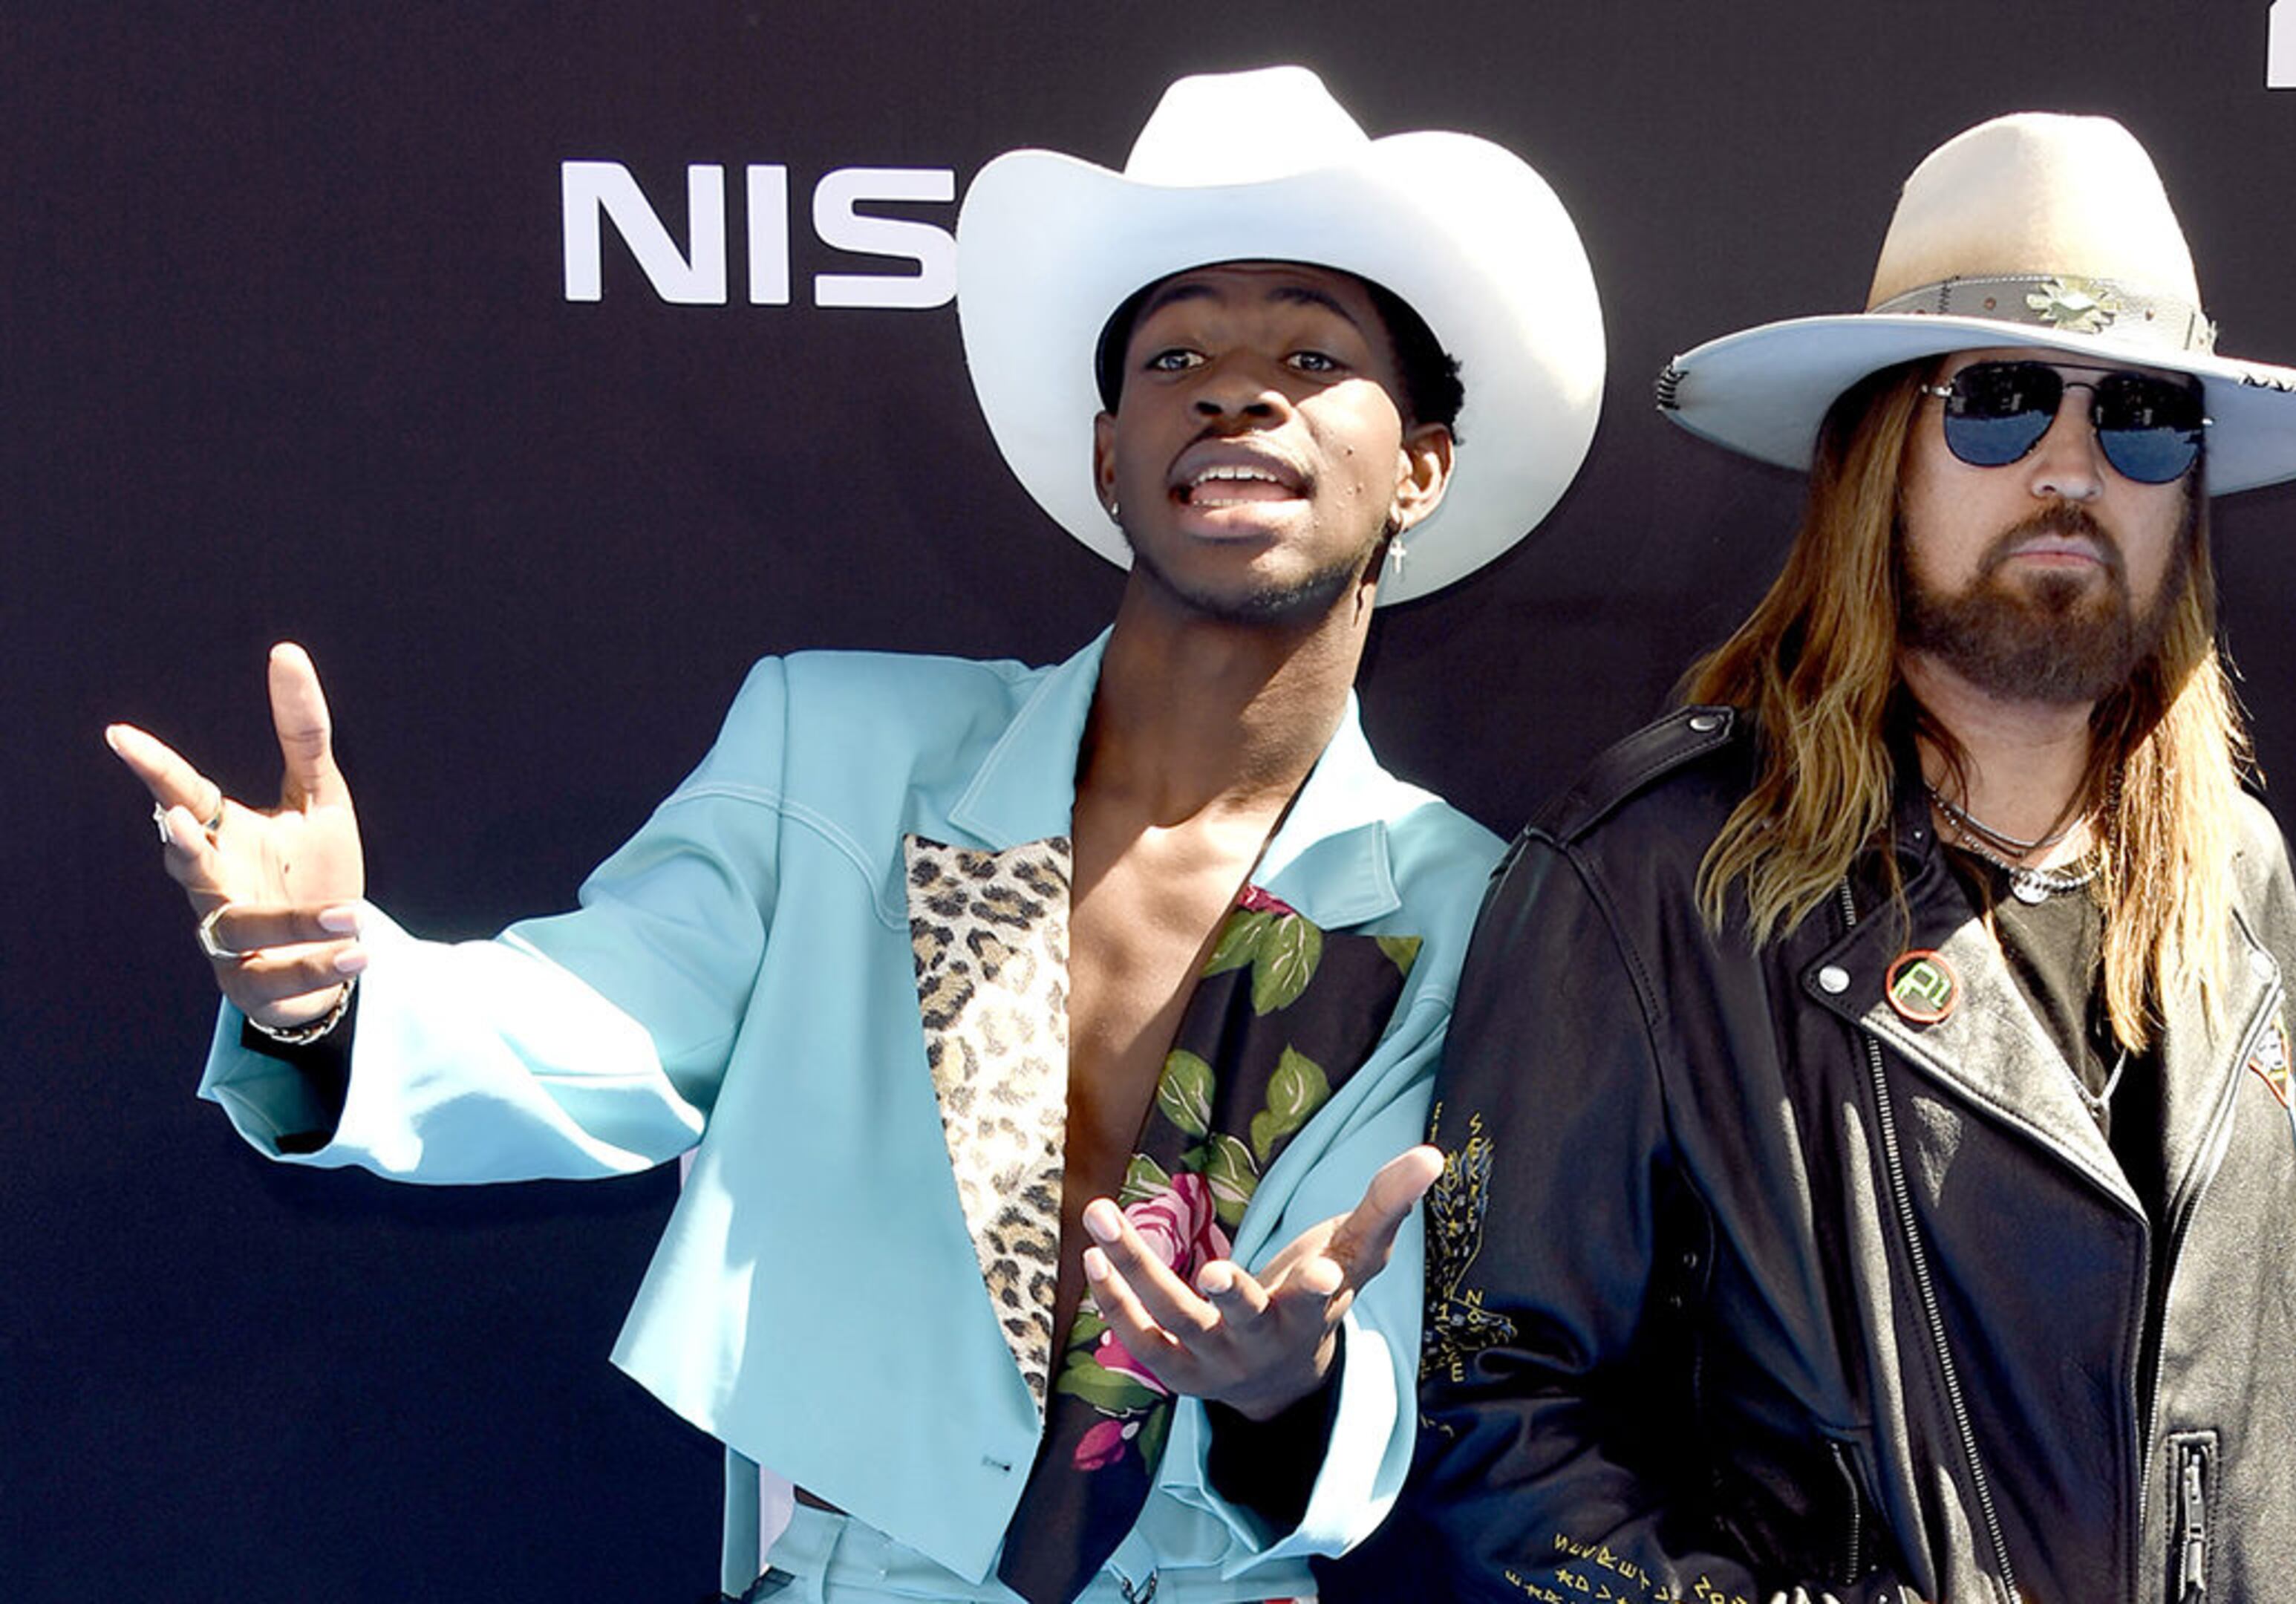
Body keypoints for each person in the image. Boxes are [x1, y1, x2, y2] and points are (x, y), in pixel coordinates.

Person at [104, 65, 1602, 1604]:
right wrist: (342, 992)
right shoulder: (840, 744)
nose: (1236, 386)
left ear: (1420, 465)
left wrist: (1285, 1383)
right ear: (1109, 455)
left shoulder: (1480, 905)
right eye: (1176, 351)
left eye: (1308, 347)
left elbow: (1406, 1334)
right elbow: (606, 1018)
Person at [1348, 113, 2296, 1603]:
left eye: (2146, 415)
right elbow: (1491, 1416)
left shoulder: (2238, 875)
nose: (2070, 465)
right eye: (1998, 403)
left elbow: (2291, 1369)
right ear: (1877, 457)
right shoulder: (1658, 872)